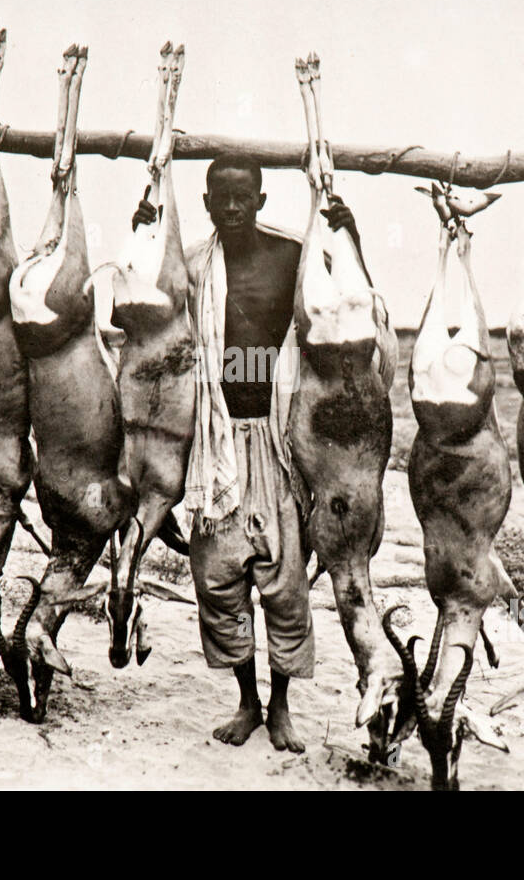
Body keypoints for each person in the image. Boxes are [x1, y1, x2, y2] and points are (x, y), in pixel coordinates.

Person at [131, 152, 359, 752]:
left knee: (284, 583)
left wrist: (346, 233)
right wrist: (144, 237)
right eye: (221, 196)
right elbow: (147, 316)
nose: (232, 206)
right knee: (220, 581)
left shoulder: (292, 258)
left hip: (282, 439)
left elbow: (339, 301)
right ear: (206, 204)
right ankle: (248, 702)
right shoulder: (194, 266)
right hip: (214, 437)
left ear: (260, 200)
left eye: (243, 195)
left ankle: (281, 706)